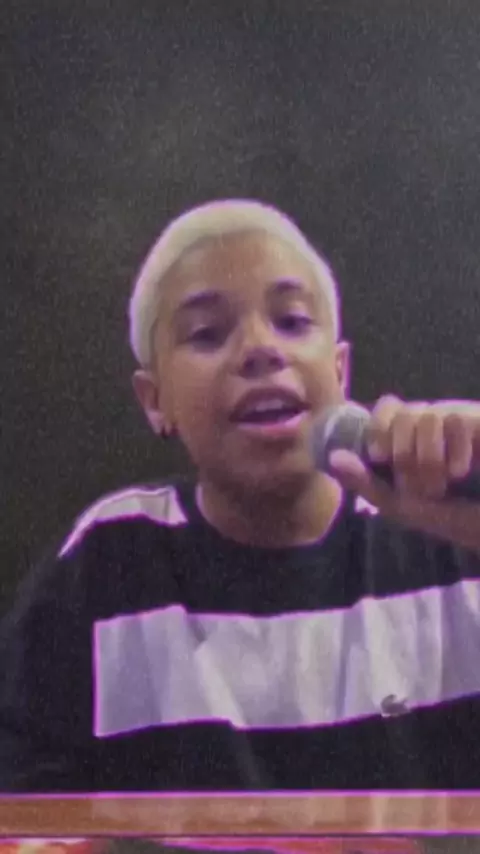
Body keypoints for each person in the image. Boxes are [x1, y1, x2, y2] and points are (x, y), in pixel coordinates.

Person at [0, 198, 479, 793]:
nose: (260, 348)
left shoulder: (447, 542)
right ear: (155, 400)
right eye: (207, 333)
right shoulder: (105, 566)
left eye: (292, 322)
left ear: (339, 371)